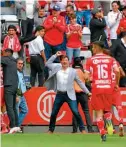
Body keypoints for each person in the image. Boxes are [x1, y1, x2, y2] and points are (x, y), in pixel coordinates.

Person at [44, 51, 91, 133]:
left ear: (69, 62)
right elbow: (47, 64)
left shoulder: (73, 71)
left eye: (66, 60)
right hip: (59, 94)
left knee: (75, 112)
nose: (64, 61)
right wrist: (55, 55)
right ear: (61, 61)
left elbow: (80, 82)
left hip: (70, 94)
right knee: (54, 112)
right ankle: (51, 130)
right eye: (63, 60)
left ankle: (82, 129)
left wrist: (87, 92)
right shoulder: (56, 67)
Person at [85, 41, 120, 141]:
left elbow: (86, 77)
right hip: (108, 86)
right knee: (107, 109)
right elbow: (117, 71)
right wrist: (116, 84)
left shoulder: (91, 60)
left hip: (97, 87)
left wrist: (89, 79)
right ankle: (108, 121)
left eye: (93, 47)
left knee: (98, 112)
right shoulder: (111, 59)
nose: (92, 49)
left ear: (96, 48)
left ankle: (102, 133)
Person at [72, 57, 94, 133]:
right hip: (83, 93)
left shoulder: (71, 71)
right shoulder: (83, 71)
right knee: (86, 112)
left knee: (75, 112)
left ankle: (74, 130)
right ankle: (90, 129)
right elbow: (88, 79)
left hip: (74, 93)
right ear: (80, 62)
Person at [1, 48, 19, 134]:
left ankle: (12, 126)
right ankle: (16, 126)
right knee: (14, 107)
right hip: (15, 86)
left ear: (7, 53)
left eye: (4, 53)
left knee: (9, 107)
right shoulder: (14, 60)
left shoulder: (6, 59)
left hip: (8, 86)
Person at [16, 58, 28, 132]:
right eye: (19, 63)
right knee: (16, 112)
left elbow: (21, 83)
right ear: (16, 64)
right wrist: (16, 95)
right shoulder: (14, 72)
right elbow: (15, 84)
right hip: (17, 94)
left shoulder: (21, 72)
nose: (21, 65)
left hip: (22, 95)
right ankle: (15, 127)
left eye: (22, 64)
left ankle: (16, 126)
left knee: (25, 110)